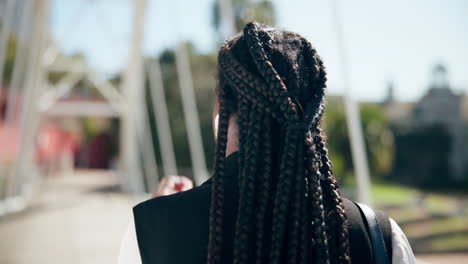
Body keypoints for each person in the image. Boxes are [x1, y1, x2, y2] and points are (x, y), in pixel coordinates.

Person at [119, 21, 416, 264]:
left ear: (221, 114)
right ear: (316, 117)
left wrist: (162, 221)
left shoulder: (151, 229)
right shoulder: (380, 236)